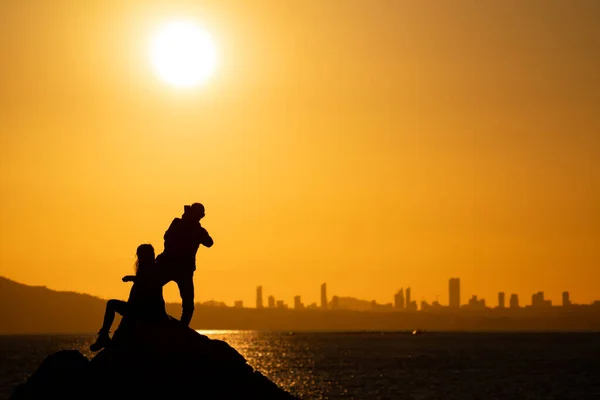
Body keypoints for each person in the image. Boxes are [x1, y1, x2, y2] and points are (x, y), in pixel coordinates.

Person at [90, 243, 166, 352]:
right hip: (139, 309)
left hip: (146, 311)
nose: (139, 259)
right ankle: (103, 336)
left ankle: (103, 336)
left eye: (141, 256)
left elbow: (149, 284)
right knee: (112, 304)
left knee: (111, 304)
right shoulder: (146, 270)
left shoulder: (154, 270)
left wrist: (132, 278)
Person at [156, 203, 213, 327]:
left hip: (183, 270)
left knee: (188, 305)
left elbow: (209, 243)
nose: (199, 217)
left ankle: (182, 330)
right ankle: (157, 315)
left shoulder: (198, 230)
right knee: (152, 288)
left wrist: (197, 230)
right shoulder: (178, 223)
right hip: (169, 265)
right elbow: (166, 237)